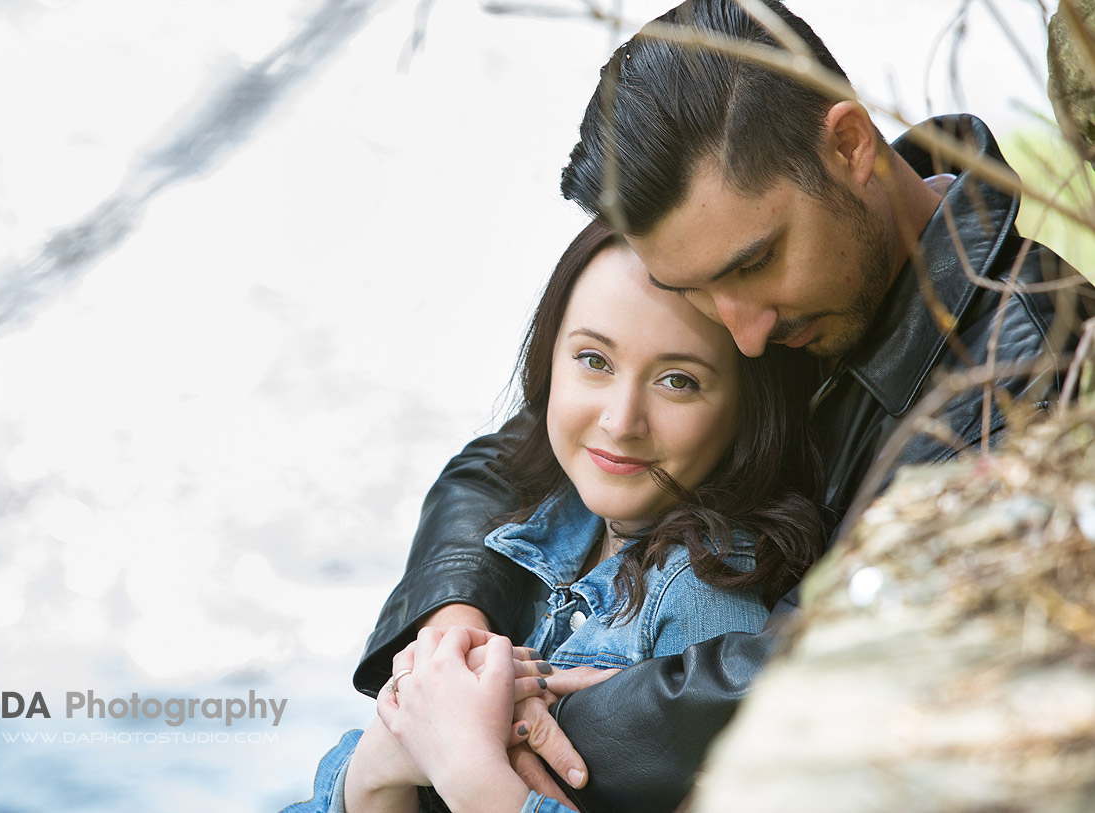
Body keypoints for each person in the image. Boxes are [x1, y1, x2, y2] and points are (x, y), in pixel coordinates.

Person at [354, 2, 1095, 812]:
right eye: (692, 288)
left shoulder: (1028, 370)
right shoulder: (791, 289)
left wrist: (491, 728)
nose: (741, 333)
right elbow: (520, 456)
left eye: (755, 263)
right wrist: (447, 639)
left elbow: (833, 667)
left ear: (849, 147)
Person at [285, 220, 827, 812]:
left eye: (678, 380)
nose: (621, 421)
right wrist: (377, 766)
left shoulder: (708, 587)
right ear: (550, 361)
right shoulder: (538, 521)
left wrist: (462, 767)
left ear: (748, 409)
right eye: (594, 360)